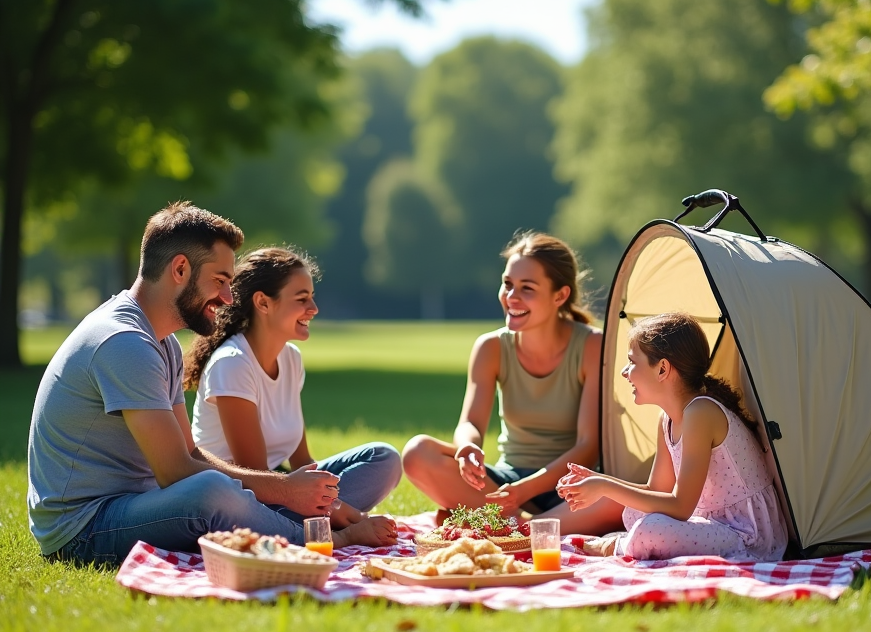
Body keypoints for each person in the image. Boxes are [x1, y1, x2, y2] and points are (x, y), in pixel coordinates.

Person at [27, 203, 360, 566]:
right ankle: (318, 539)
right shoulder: (124, 341)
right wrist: (283, 489)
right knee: (211, 490)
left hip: (137, 504)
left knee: (222, 488)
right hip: (83, 530)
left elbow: (191, 453)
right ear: (180, 269)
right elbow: (175, 472)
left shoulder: (162, 342)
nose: (229, 299)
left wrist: (288, 491)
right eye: (219, 281)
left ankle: (287, 520)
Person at [186, 247, 399, 546]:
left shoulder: (291, 359)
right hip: (244, 497)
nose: (313, 308)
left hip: (283, 488)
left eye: (311, 297)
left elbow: (303, 463)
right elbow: (256, 475)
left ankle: (312, 524)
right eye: (301, 299)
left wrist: (325, 496)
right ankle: (330, 531)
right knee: (267, 509)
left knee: (384, 458)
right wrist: (342, 510)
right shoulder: (232, 364)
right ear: (263, 302)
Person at [557, 312, 789, 561]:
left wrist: (605, 487)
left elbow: (680, 507)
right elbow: (656, 490)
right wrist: (599, 481)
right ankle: (630, 542)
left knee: (652, 529)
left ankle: (614, 547)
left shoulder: (701, 413)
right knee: (633, 512)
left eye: (632, 362)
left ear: (662, 369)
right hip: (711, 523)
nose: (625, 372)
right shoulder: (667, 419)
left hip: (749, 537)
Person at [401, 231, 602, 517]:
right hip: (507, 479)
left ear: (560, 295)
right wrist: (467, 448)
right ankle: (525, 523)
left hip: (569, 487)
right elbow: (470, 422)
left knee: (615, 500)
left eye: (527, 288)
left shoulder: (592, 346)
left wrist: (524, 491)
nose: (511, 297)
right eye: (507, 284)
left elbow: (588, 447)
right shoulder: (491, 347)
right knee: (417, 453)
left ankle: (501, 520)